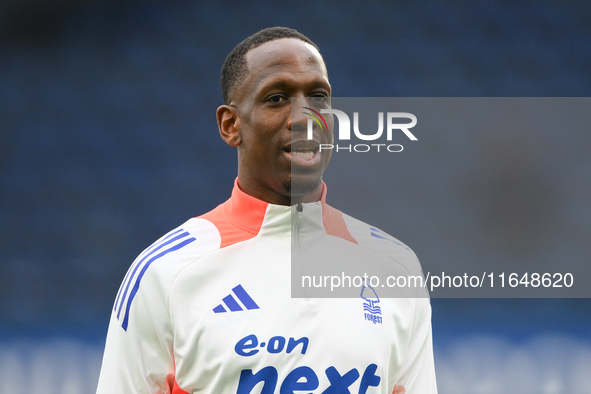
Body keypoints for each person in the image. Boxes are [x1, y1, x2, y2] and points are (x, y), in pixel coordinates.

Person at [96, 27, 437, 394]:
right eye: (277, 98)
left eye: (319, 96)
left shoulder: (396, 267)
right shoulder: (165, 273)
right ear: (231, 125)